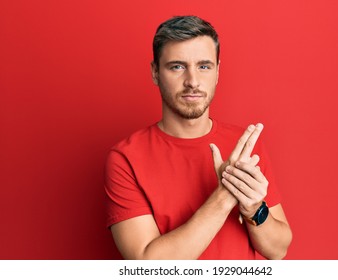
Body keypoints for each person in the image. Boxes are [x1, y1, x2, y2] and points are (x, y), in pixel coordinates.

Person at [104, 15, 292, 260]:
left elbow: (279, 250)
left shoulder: (244, 146)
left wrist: (253, 208)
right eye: (177, 66)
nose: (192, 81)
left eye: (204, 66)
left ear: (217, 72)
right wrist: (225, 196)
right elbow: (149, 266)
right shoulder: (125, 158)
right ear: (154, 72)